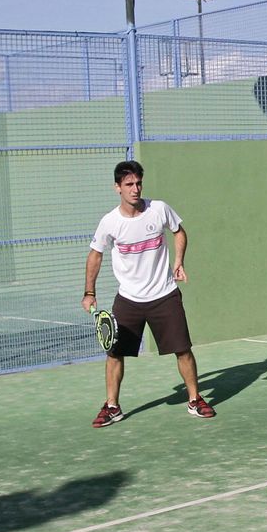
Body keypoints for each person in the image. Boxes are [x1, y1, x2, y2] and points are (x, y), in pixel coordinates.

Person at [82, 160, 212, 428]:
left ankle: (194, 399)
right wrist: (89, 291)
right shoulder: (109, 222)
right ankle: (112, 407)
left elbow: (179, 232)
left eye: (138, 183)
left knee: (183, 350)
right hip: (128, 298)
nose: (135, 189)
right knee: (115, 354)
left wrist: (178, 262)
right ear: (117, 187)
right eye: (129, 184)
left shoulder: (158, 209)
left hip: (164, 294)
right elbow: (95, 255)